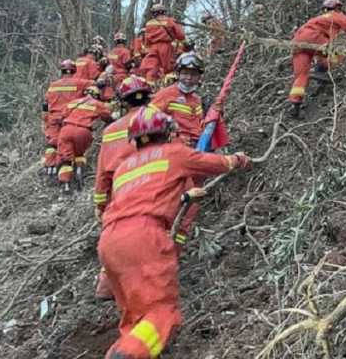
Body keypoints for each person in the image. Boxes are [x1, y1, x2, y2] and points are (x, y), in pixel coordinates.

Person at [97, 107, 250, 358]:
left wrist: (183, 196)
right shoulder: (174, 153)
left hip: (110, 241)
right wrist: (238, 159)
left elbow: (142, 196)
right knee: (161, 314)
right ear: (168, 133)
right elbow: (215, 163)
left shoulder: (124, 167)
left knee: (136, 319)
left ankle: (128, 350)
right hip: (144, 236)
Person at [93, 75, 153, 301]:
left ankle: (107, 287)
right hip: (148, 187)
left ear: (123, 101)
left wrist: (100, 204)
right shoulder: (156, 120)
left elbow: (102, 174)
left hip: (119, 193)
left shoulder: (110, 132)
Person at [288, 0, 346, 118]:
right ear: (337, 8)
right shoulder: (334, 15)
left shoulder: (318, 20)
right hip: (312, 37)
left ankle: (295, 106)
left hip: (297, 41)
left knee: (300, 76)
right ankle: (321, 72)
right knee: (337, 54)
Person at [57, 84, 114, 191]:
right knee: (80, 154)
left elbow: (62, 115)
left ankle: (65, 185)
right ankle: (79, 175)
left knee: (66, 159)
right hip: (83, 131)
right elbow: (107, 117)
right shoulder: (98, 104)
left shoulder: (73, 102)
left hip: (66, 129)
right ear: (97, 96)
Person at [42, 60, 94, 173]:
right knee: (69, 145)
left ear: (62, 71)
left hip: (54, 118)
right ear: (74, 70)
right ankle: (71, 170)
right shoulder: (80, 83)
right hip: (70, 119)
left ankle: (50, 168)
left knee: (52, 143)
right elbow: (95, 85)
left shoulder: (53, 85)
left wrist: (46, 119)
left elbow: (45, 104)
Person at [149, 53, 205, 147]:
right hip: (173, 148)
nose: (189, 78)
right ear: (178, 74)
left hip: (196, 147)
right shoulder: (166, 94)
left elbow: (199, 125)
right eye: (185, 73)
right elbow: (147, 118)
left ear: (199, 77)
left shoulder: (197, 100)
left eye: (193, 74)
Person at [139, 4, 186, 83]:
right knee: (168, 69)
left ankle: (150, 86)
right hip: (166, 47)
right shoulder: (170, 21)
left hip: (153, 48)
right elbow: (181, 35)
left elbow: (146, 41)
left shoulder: (149, 23)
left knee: (152, 68)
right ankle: (169, 86)